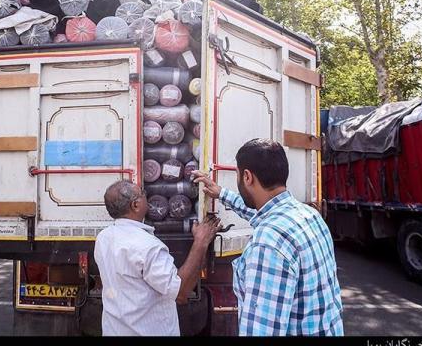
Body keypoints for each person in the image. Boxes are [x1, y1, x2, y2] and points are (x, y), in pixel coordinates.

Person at [192, 138, 343, 336]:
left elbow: (261, 330)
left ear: (247, 177)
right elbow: (261, 214)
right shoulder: (308, 215)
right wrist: (222, 193)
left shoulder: (268, 243)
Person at [94, 180, 221, 336]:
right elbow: (180, 293)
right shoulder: (148, 247)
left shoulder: (103, 238)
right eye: (143, 193)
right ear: (135, 205)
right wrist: (200, 242)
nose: (146, 195)